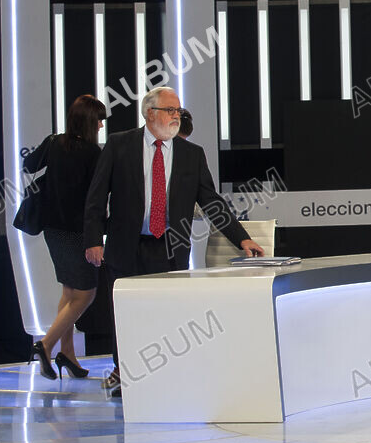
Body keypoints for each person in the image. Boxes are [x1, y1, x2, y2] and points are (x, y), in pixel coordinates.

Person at [84, 87, 265, 397]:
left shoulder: (191, 154)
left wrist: (242, 238)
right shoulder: (119, 145)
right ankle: (125, 376)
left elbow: (211, 201)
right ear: (150, 113)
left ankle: (164, 377)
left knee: (165, 314)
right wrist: (93, 239)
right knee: (126, 316)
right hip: (125, 245)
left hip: (169, 247)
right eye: (170, 110)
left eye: (178, 110)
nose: (176, 115)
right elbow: (97, 195)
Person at [25, 95, 107, 380]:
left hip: (52, 228)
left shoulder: (53, 143)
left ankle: (67, 354)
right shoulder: (93, 154)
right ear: (88, 121)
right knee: (85, 293)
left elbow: (29, 165)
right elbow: (97, 197)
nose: (100, 125)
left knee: (70, 291)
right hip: (78, 231)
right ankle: (46, 345)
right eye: (98, 120)